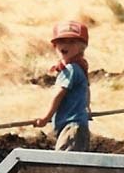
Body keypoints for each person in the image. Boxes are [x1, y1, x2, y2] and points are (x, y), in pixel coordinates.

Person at [34, 20, 91, 151]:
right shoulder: (80, 67)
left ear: (82, 47)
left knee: (63, 166)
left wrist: (46, 117)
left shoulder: (70, 69)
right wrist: (87, 107)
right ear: (55, 46)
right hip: (76, 125)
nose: (65, 45)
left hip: (71, 127)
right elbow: (86, 89)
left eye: (72, 42)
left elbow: (59, 94)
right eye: (62, 41)